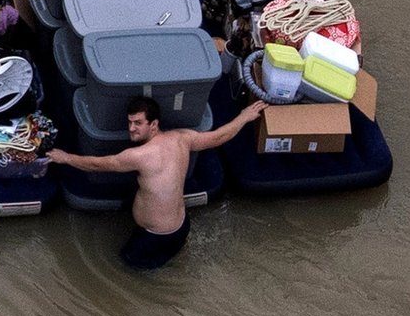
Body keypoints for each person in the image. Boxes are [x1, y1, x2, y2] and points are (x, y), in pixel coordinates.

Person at [47, 97, 268, 269]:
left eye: (138, 123)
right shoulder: (182, 138)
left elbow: (97, 165)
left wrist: (65, 158)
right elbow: (218, 137)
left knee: (127, 268)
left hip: (156, 237)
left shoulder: (138, 155)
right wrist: (244, 116)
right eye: (130, 122)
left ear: (154, 125)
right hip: (181, 226)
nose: (131, 128)